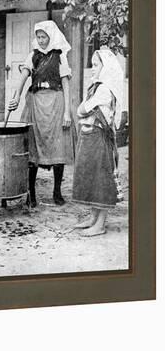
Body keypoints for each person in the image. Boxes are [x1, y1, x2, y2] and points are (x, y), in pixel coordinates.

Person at [8, 20, 75, 207]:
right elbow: (22, 79)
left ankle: (57, 193)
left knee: (58, 147)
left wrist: (67, 113)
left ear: (51, 36)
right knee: (33, 149)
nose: (41, 40)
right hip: (36, 103)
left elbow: (66, 85)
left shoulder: (60, 56)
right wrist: (16, 97)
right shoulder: (33, 56)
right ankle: (31, 194)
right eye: (38, 36)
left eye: (44, 36)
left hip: (56, 103)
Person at [72, 48, 124, 236]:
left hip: (98, 138)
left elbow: (81, 109)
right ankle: (94, 217)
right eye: (92, 65)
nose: (92, 69)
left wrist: (84, 108)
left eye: (96, 65)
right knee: (92, 177)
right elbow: (84, 110)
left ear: (106, 67)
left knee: (100, 180)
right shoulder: (97, 86)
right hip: (90, 136)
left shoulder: (104, 89)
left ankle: (100, 224)